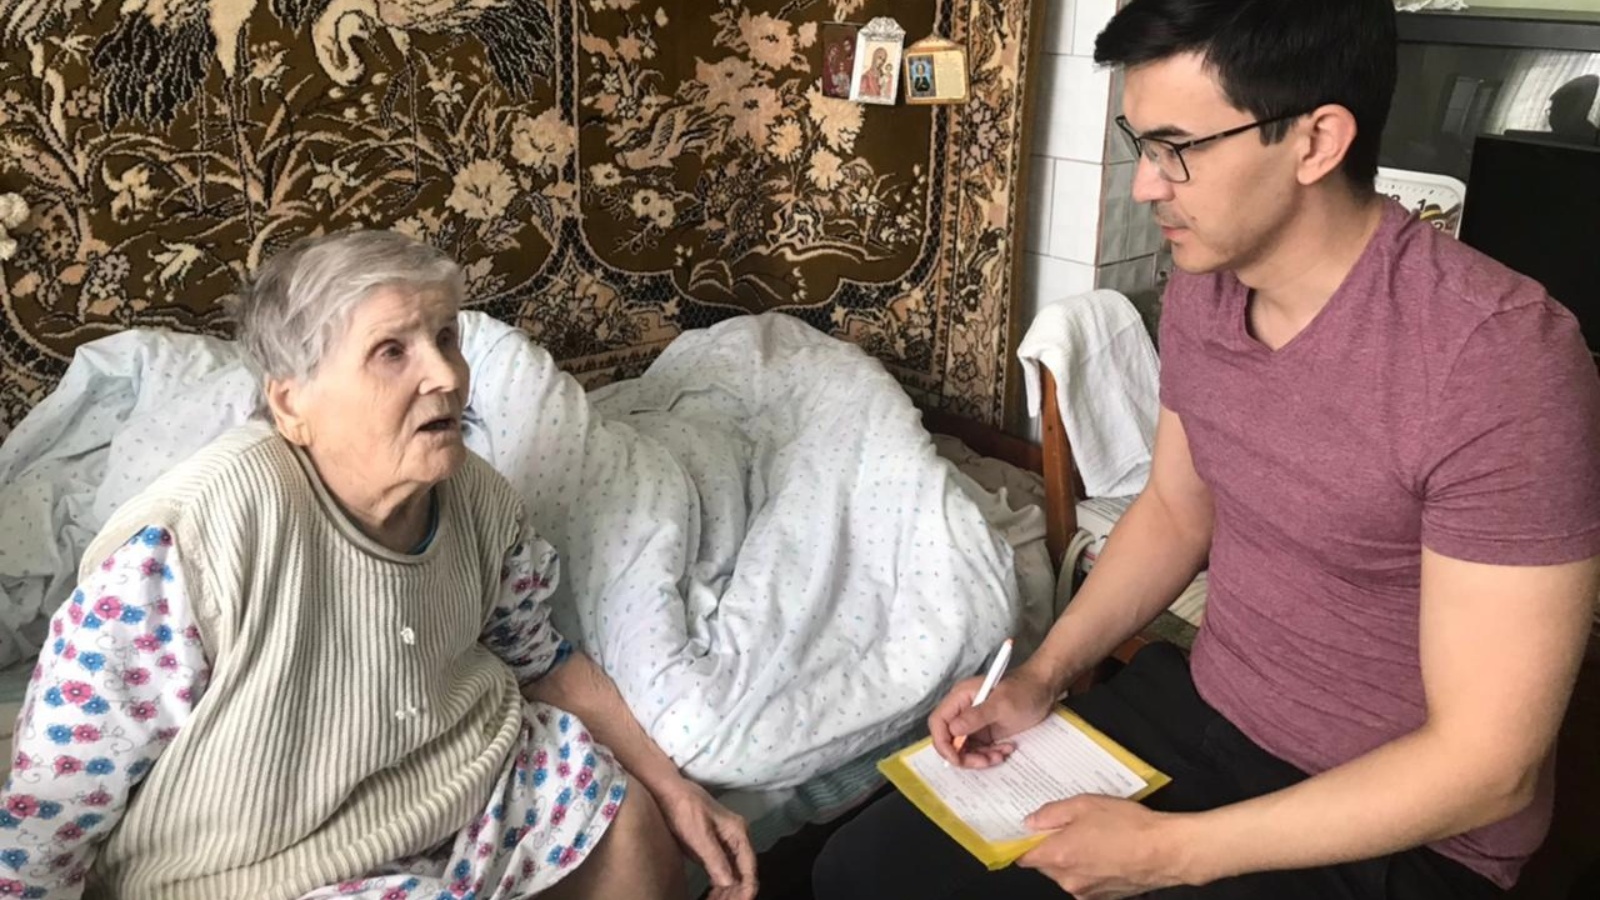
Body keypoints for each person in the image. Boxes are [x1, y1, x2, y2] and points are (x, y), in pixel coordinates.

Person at [813, 1, 1600, 899]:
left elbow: (1489, 768)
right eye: (1141, 143)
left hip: (1405, 824)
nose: (1146, 187)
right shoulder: (1205, 287)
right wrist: (1039, 677)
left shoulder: (1500, 359)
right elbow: (1175, 511)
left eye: (1177, 149)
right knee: (865, 869)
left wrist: (1167, 854)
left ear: (1316, 142)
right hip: (1210, 711)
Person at [0, 231, 759, 900]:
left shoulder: (479, 499)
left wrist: (675, 789)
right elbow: (48, 818)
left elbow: (541, 660)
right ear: (292, 404)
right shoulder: (188, 546)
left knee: (628, 827)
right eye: (392, 351)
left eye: (446, 338)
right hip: (257, 865)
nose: (446, 376)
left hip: (459, 784)